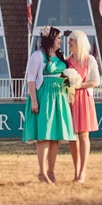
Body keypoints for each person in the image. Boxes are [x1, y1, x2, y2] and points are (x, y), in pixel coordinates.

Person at [22, 25, 76, 184]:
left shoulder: (61, 57)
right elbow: (31, 79)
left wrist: (69, 90)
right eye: (58, 38)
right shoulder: (37, 56)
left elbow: (65, 75)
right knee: (44, 137)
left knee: (55, 138)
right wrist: (34, 101)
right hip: (44, 96)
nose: (60, 40)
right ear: (51, 39)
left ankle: (51, 171)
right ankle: (41, 172)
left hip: (59, 97)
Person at [66, 30, 101, 183]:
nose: (69, 43)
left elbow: (96, 81)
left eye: (71, 41)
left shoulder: (90, 60)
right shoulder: (67, 61)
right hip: (71, 99)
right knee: (72, 137)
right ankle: (75, 170)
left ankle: (83, 171)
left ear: (78, 41)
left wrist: (80, 85)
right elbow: (64, 81)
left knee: (84, 135)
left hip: (84, 99)